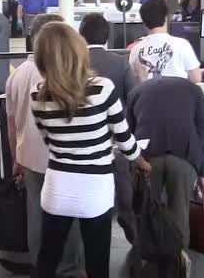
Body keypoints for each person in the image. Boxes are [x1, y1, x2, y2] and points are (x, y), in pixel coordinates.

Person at [30, 22, 151, 278]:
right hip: (94, 190)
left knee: (47, 260)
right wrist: (141, 161)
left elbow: (50, 142)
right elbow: (124, 138)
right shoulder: (103, 88)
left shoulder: (38, 96)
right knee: (97, 265)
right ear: (78, 50)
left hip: (57, 187)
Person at [5, 13, 84, 277]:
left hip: (29, 157)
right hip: (62, 157)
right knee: (69, 213)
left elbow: (12, 124)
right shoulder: (63, 71)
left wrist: (16, 158)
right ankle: (68, 265)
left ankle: (40, 266)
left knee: (36, 214)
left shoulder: (16, 76)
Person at [126, 76, 204, 263]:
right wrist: (203, 172)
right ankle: (180, 260)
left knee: (148, 211)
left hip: (147, 159)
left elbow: (128, 133)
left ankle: (149, 259)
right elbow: (203, 130)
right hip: (184, 157)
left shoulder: (137, 91)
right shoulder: (193, 90)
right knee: (180, 210)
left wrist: (132, 165)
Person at [79, 13, 138, 242]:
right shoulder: (120, 62)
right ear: (107, 36)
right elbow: (132, 98)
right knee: (122, 179)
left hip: (85, 139)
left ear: (81, 35)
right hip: (115, 136)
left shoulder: (75, 62)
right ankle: (127, 216)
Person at [129, 0, 202, 83]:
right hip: (178, 95)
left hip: (149, 95)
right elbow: (196, 78)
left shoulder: (136, 50)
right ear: (166, 18)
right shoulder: (183, 44)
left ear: (144, 23)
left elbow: (133, 82)